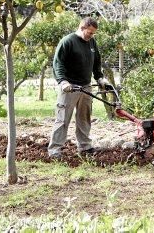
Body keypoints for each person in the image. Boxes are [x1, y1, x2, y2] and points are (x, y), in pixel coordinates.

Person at [47, 17, 109, 159]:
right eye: (90, 32)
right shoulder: (68, 42)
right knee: (62, 119)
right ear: (82, 28)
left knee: (84, 118)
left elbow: (96, 61)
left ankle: (85, 147)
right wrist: (62, 82)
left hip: (86, 86)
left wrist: (99, 77)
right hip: (70, 87)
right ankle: (54, 150)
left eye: (93, 33)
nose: (91, 35)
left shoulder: (92, 42)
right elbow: (58, 64)